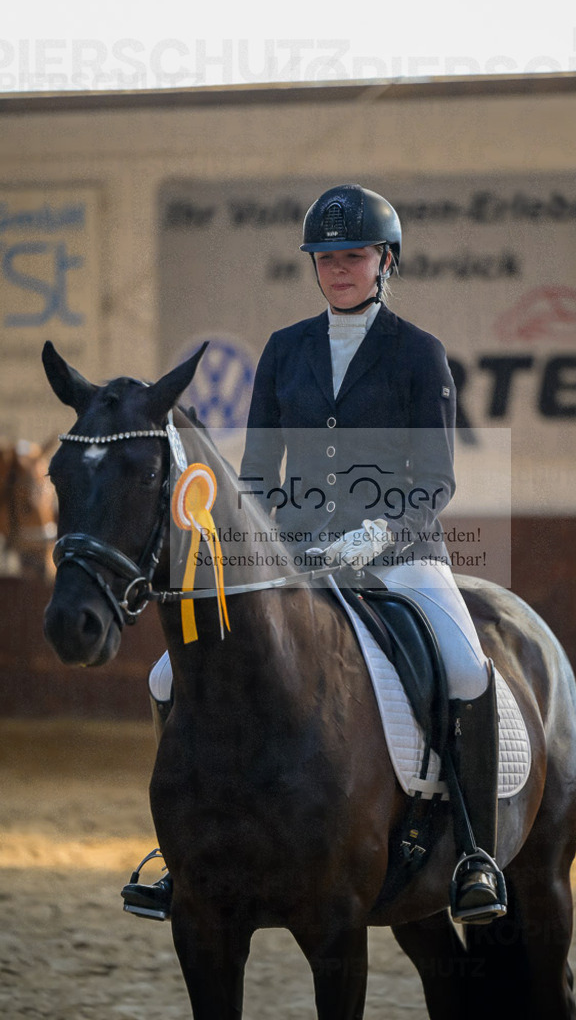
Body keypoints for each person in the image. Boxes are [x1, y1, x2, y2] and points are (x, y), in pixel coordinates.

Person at [121, 184, 506, 926]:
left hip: (400, 554)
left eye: (353, 255)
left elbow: (435, 481)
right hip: (292, 558)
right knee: (171, 670)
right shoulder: (284, 351)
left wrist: (379, 534)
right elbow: (259, 474)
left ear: (384, 261)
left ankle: (474, 856)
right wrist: (258, 544)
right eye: (325, 257)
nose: (337, 268)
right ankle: (180, 852)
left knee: (465, 666)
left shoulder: (420, 354)